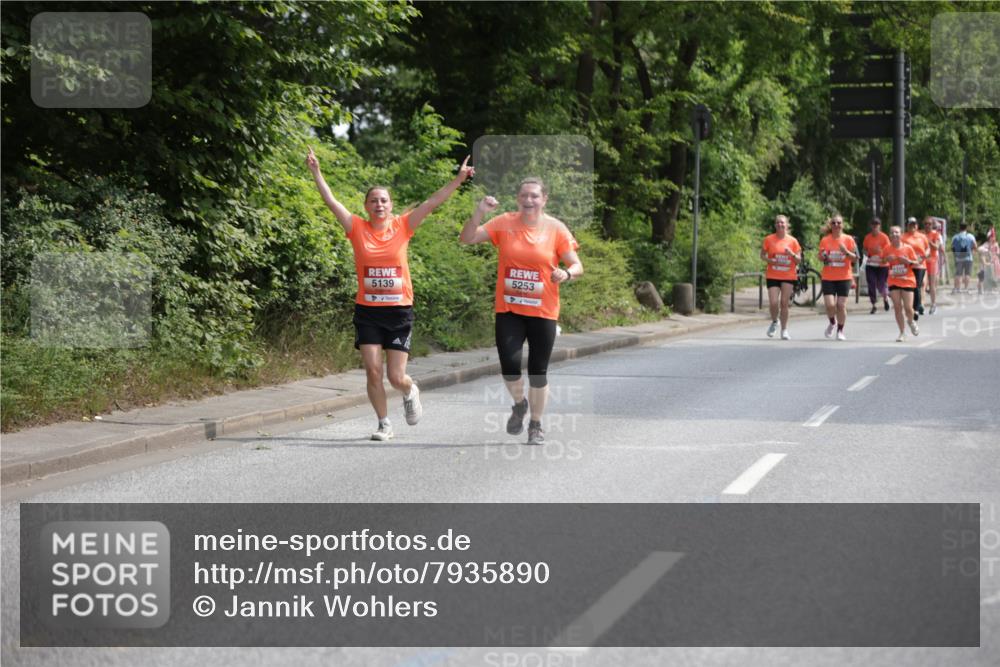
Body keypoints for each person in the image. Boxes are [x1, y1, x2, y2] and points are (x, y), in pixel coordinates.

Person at [306, 147, 474, 440]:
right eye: (374, 201)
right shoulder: (356, 227)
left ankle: (410, 390)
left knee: (396, 377)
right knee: (373, 371)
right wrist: (316, 172)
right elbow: (331, 201)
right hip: (368, 312)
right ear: (366, 206)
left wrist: (458, 180)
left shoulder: (403, 226)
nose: (379, 204)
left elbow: (432, 202)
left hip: (398, 312)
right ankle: (384, 423)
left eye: (383, 200)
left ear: (391, 205)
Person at [460, 177, 583, 445]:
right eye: (524, 195)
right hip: (510, 309)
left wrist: (566, 273)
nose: (529, 200)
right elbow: (467, 238)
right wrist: (480, 212)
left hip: (543, 311)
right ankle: (519, 404)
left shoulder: (556, 229)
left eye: (534, 196)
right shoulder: (504, 222)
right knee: (510, 366)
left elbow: (577, 264)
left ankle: (536, 425)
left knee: (538, 371)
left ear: (544, 199)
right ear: (518, 198)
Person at [760, 214, 801, 339]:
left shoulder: (793, 241)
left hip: (788, 275)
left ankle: (784, 329)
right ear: (775, 225)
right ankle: (774, 321)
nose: (780, 224)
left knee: (784, 303)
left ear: (787, 225)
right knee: (773, 302)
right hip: (773, 274)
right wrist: (770, 261)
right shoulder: (769, 239)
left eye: (782, 222)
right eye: (777, 222)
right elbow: (762, 255)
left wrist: (792, 254)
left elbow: (798, 260)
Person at [818, 214, 858, 341]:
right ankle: (832, 322)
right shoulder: (825, 240)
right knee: (830, 305)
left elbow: (856, 258)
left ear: (842, 225)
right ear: (831, 225)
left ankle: (840, 330)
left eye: (839, 223)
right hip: (828, 276)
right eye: (834, 223)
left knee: (840, 305)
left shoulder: (848, 239)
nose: (836, 225)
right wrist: (824, 256)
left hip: (844, 276)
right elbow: (820, 256)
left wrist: (846, 251)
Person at [881, 225, 920, 342]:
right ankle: (902, 333)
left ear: (901, 234)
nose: (894, 235)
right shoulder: (887, 249)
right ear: (889, 236)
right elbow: (883, 260)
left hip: (907, 280)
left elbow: (916, 262)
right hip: (893, 280)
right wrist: (887, 260)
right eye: (892, 233)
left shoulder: (908, 248)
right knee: (897, 307)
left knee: (908, 308)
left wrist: (908, 261)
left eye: (897, 232)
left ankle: (911, 321)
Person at [902, 217, 930, 318]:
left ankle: (916, 309)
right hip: (908, 265)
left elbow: (927, 249)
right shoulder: (903, 237)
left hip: (919, 265)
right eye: (910, 224)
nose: (912, 226)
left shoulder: (922, 237)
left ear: (917, 226)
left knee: (917, 286)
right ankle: (910, 307)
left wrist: (925, 255)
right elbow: (900, 249)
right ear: (907, 226)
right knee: (909, 286)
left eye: (914, 224)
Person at [862, 217, 891, 314]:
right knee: (871, 283)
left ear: (879, 226)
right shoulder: (867, 237)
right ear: (871, 226)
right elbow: (864, 249)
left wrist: (881, 255)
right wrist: (867, 255)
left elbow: (889, 250)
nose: (875, 227)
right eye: (873, 225)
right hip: (871, 264)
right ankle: (874, 304)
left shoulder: (884, 237)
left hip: (882, 264)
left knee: (881, 284)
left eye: (877, 225)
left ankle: (886, 298)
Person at [922, 217, 943, 314]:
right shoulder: (920, 234)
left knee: (931, 285)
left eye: (929, 224)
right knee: (922, 283)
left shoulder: (936, 234)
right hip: (923, 261)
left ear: (932, 225)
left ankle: (933, 304)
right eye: (926, 223)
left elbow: (937, 247)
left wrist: (928, 241)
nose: (927, 225)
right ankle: (921, 304)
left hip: (932, 261)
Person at [951, 222, 977, 293]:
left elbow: (952, 247)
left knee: (958, 274)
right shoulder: (970, 236)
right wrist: (972, 252)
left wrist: (955, 255)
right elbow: (975, 246)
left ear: (959, 228)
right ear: (966, 228)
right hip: (968, 258)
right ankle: (966, 289)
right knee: (967, 274)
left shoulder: (955, 237)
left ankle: (957, 288)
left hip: (958, 258)